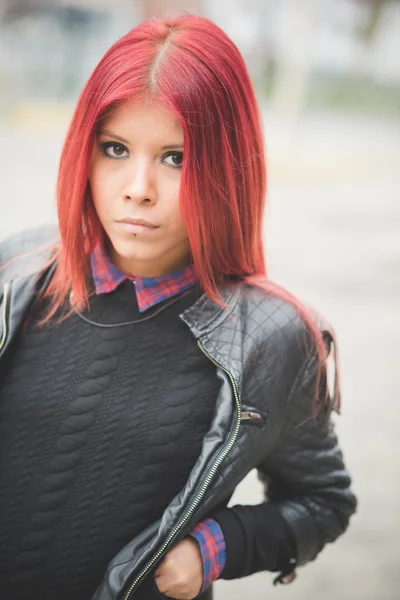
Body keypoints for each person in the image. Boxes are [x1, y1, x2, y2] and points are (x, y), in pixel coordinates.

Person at [0, 13, 357, 600]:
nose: (138, 187)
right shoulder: (18, 272)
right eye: (115, 148)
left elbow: (323, 501)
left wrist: (213, 547)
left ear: (229, 167)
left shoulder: (273, 338)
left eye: (176, 158)